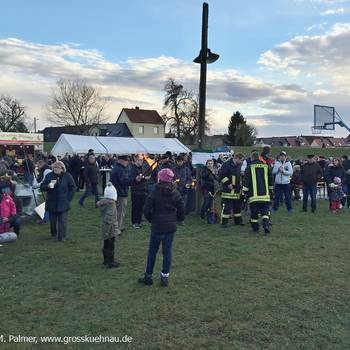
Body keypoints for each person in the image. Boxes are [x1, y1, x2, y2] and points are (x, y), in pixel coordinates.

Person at [138, 168, 184, 287]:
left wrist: (152, 220)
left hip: (158, 226)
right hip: (169, 227)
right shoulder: (175, 192)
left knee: (152, 251)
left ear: (160, 178)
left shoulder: (155, 192)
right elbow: (181, 209)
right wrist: (177, 219)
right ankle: (164, 277)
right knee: (167, 251)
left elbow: (146, 210)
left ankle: (148, 276)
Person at [40, 161, 76, 241]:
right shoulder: (49, 176)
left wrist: (68, 198)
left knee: (62, 220)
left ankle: (62, 237)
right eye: (54, 167)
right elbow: (42, 186)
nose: (55, 169)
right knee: (52, 221)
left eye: (57, 167)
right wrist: (48, 186)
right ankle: (54, 235)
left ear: (62, 169)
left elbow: (73, 187)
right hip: (51, 201)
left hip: (63, 202)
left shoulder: (67, 176)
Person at [242, 151, 274, 234]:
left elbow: (246, 182)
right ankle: (266, 225)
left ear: (252, 158)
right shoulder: (266, 166)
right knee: (265, 212)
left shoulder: (249, 167)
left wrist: (244, 193)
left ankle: (255, 229)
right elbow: (271, 180)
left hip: (254, 196)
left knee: (254, 213)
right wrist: (271, 191)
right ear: (259, 158)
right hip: (265, 195)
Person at [111, 155, 141, 235]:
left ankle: (118, 226)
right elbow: (124, 181)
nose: (127, 162)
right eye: (126, 161)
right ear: (121, 160)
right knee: (120, 212)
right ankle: (117, 229)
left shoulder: (117, 168)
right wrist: (135, 180)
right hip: (120, 193)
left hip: (117, 192)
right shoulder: (120, 170)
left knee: (118, 211)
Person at [217, 153, 245, 228]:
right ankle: (224, 223)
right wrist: (228, 183)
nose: (242, 162)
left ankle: (238, 221)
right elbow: (220, 175)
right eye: (241, 160)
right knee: (227, 207)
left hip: (236, 190)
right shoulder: (227, 164)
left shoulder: (238, 165)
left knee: (237, 207)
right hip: (228, 191)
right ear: (237, 158)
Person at [96, 183, 119, 268]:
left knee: (106, 245)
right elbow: (109, 220)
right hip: (110, 230)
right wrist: (108, 232)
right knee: (110, 245)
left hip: (106, 229)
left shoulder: (105, 203)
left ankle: (106, 260)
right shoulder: (111, 205)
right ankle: (110, 262)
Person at [130, 154, 150, 229]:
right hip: (136, 191)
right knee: (136, 207)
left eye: (142, 160)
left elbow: (142, 177)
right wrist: (142, 178)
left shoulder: (141, 168)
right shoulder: (133, 168)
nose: (141, 161)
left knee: (141, 207)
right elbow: (134, 179)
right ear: (136, 160)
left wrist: (145, 178)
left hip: (142, 190)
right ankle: (134, 222)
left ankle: (139, 221)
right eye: (140, 160)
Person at [173, 155, 192, 219]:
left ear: (183, 161)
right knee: (175, 204)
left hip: (184, 189)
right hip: (176, 190)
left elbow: (189, 179)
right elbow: (172, 179)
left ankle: (181, 219)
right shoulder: (174, 169)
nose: (179, 163)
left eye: (180, 161)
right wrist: (174, 183)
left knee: (183, 204)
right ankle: (175, 217)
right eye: (178, 161)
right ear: (176, 162)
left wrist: (188, 184)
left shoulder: (187, 169)